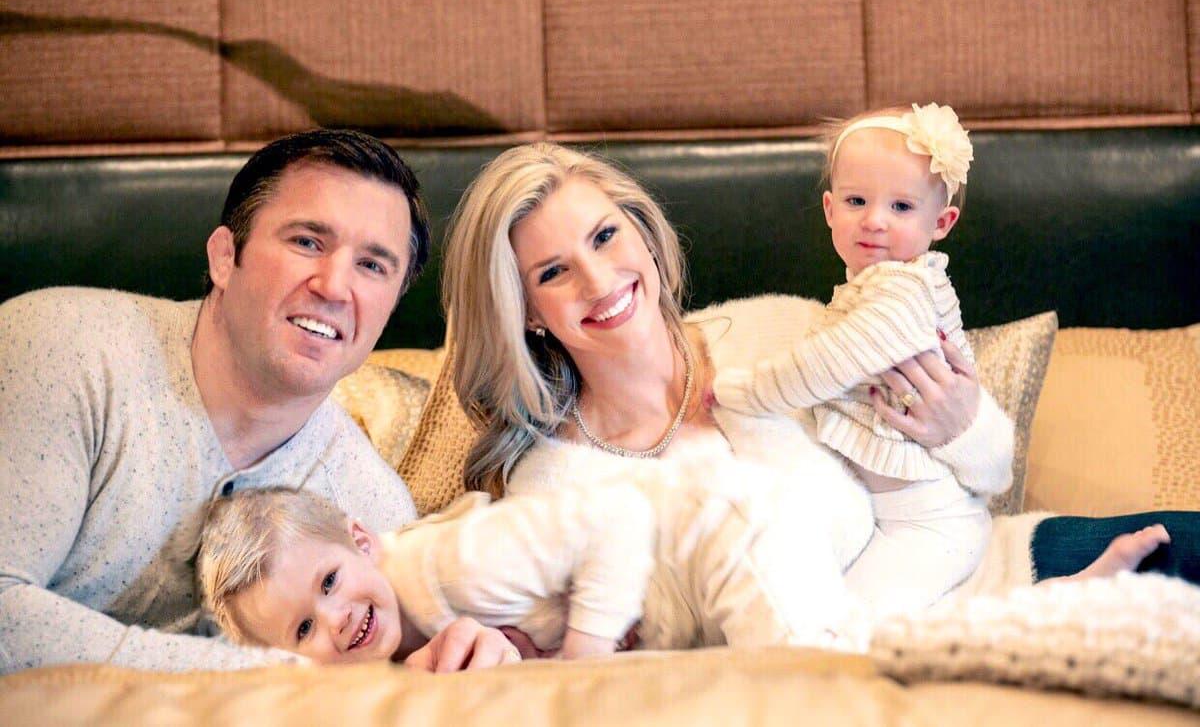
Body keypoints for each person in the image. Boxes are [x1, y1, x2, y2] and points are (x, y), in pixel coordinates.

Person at [440, 141, 1193, 612]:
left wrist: (963, 423)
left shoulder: (785, 327)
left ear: (641, 229)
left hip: (1010, 564)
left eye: (606, 235)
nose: (601, 279)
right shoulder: (553, 483)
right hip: (892, 654)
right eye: (553, 272)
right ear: (524, 310)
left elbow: (990, 477)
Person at [0, 129, 518, 674]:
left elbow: (391, 668)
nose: (334, 286)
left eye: (372, 266)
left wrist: (459, 663)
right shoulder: (60, 351)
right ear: (225, 257)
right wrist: (273, 677)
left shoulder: (369, 510)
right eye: (307, 242)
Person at [710, 103, 1003, 616]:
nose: (874, 220)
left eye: (901, 207)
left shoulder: (902, 293)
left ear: (942, 223)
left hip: (929, 522)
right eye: (856, 200)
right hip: (891, 517)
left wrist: (736, 391)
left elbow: (824, 367)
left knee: (842, 623)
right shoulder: (866, 289)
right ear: (829, 209)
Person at [196, 468, 864, 666]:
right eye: (304, 628)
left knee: (810, 679)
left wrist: (582, 659)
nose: (336, 620)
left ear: (362, 539)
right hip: (685, 613)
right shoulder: (375, 660)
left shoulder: (454, 564)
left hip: (725, 532)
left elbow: (617, 517)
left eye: (329, 582)